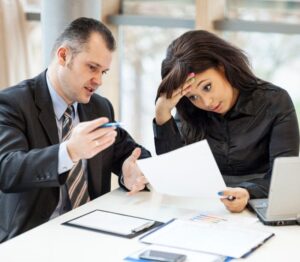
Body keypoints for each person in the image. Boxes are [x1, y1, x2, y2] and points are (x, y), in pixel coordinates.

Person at [0, 17, 149, 243]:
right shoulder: (13, 103)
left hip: (93, 232)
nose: (98, 80)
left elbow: (131, 153)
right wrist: (68, 152)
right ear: (63, 56)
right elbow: (7, 170)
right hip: (33, 237)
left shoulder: (99, 107)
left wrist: (132, 171)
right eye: (92, 67)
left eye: (104, 72)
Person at [154, 30, 299, 213]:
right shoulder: (190, 109)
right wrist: (162, 113)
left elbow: (283, 178)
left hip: (260, 202)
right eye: (193, 96)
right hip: (204, 206)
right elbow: (174, 174)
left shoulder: (274, 101)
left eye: (207, 87)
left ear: (223, 67)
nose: (206, 102)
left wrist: (247, 192)